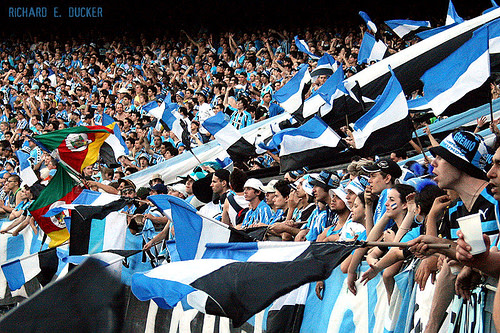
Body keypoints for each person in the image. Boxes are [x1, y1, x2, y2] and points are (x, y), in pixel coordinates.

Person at [407, 131, 497, 333]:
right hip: (474, 316)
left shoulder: (495, 200)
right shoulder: (455, 211)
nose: (433, 165)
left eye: (440, 158)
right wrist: (431, 326)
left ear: (459, 161)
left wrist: (444, 248)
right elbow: (451, 268)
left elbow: (483, 261)